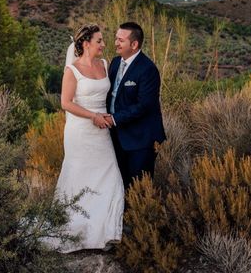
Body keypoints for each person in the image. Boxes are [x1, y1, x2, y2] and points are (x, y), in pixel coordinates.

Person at [51, 24, 124, 252]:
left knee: (111, 176)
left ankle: (106, 231)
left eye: (103, 40)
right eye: (99, 40)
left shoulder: (104, 65)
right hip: (81, 131)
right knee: (80, 177)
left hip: (103, 132)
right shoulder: (71, 71)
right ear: (85, 43)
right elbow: (66, 103)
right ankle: (78, 229)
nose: (104, 44)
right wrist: (93, 116)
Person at [107, 22, 166, 190]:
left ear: (134, 44)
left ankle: (138, 217)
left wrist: (113, 118)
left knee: (138, 189)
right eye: (116, 39)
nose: (116, 43)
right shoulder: (115, 62)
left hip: (140, 140)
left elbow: (144, 106)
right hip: (116, 137)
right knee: (119, 187)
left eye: (121, 40)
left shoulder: (148, 69)